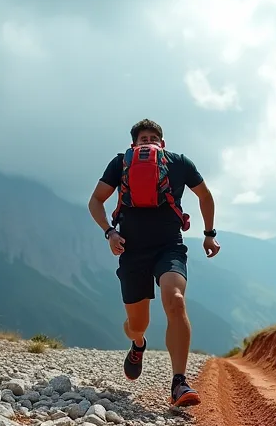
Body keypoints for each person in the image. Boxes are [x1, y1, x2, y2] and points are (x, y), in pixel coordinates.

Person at [87, 118, 220, 407]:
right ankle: (138, 344)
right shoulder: (120, 163)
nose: (147, 141)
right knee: (138, 324)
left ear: (162, 143)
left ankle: (179, 382)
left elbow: (205, 195)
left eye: (153, 137)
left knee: (175, 300)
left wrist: (209, 234)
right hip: (131, 250)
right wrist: (109, 233)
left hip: (169, 246)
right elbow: (96, 200)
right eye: (142, 138)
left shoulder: (179, 163)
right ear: (134, 144)